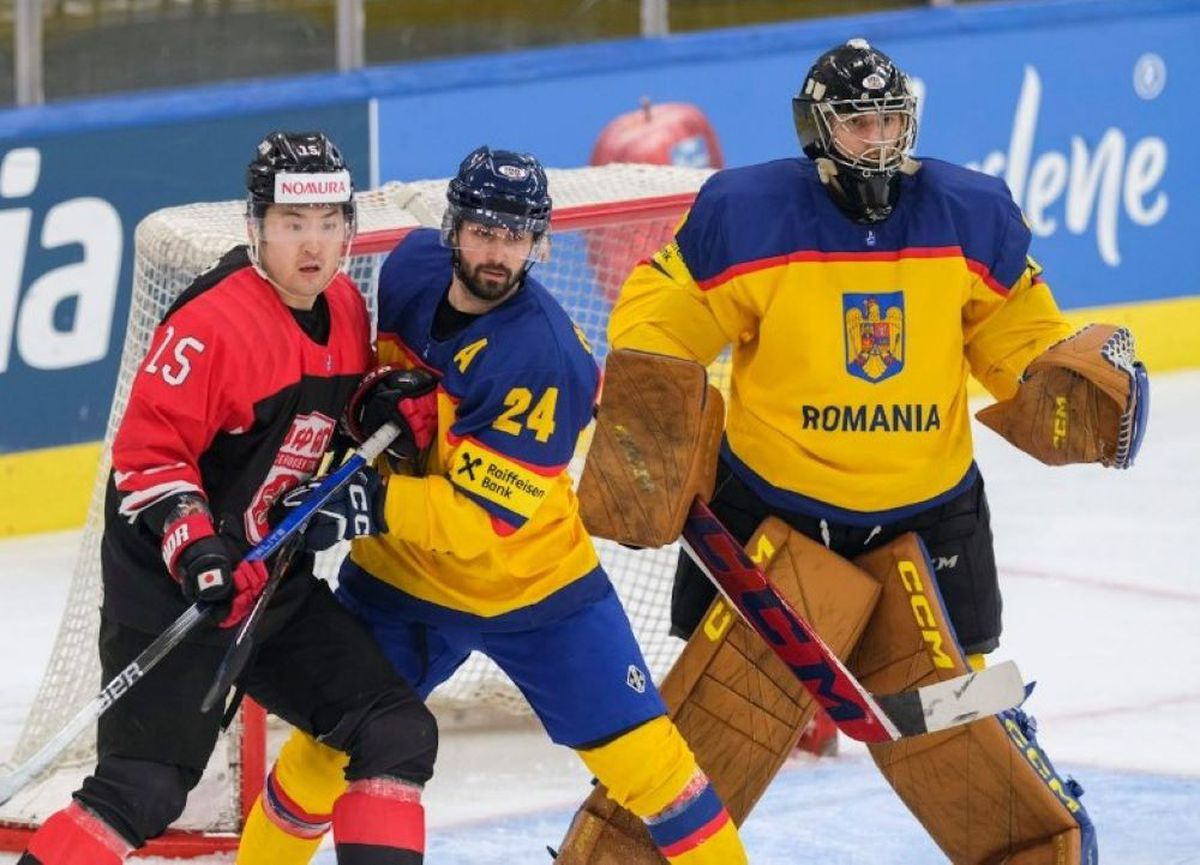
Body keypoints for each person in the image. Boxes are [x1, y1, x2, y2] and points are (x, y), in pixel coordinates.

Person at [579, 38, 1148, 864]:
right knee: (714, 724)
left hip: (929, 516)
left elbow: (1017, 336)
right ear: (818, 130)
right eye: (858, 125)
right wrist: (654, 391)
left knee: (964, 717)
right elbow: (662, 313)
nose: (878, 140)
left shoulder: (970, 213)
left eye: (890, 121)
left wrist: (1057, 380)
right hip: (775, 511)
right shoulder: (747, 214)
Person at [234, 146, 749, 865]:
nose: (498, 251)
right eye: (483, 230)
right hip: (403, 584)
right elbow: (380, 393)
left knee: (658, 772)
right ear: (453, 227)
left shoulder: (543, 359)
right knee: (322, 754)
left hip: (538, 590)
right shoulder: (406, 272)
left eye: (515, 235)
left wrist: (370, 500)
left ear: (538, 242)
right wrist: (368, 406)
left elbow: (481, 523)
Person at [18, 132, 438, 865]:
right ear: (256, 228)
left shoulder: (343, 305)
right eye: (291, 225)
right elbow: (147, 457)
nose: (313, 245)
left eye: (329, 224)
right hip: (177, 594)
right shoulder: (211, 323)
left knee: (394, 728)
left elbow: (315, 418)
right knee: (141, 788)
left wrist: (373, 414)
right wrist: (200, 553)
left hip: (272, 585)